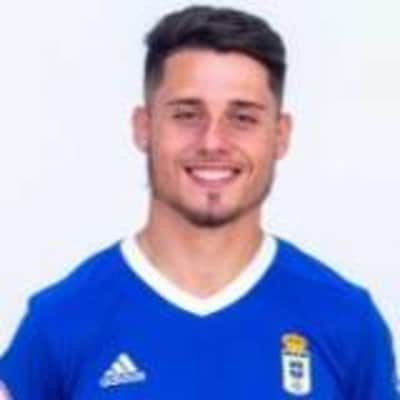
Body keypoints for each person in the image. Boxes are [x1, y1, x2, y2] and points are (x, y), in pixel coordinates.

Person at [0, 5, 397, 399]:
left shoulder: (346, 320)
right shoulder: (61, 321)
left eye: (243, 118)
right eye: (187, 114)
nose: (212, 141)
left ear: (280, 135)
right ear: (144, 127)